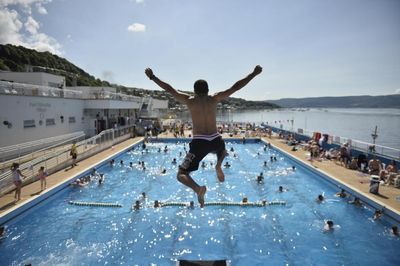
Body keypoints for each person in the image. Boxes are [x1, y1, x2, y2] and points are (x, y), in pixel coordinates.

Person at [146, 66, 263, 207]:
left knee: (181, 173)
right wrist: (253, 74)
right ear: (208, 90)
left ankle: (198, 189)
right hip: (215, 139)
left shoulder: (190, 100)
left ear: (194, 91)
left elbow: (170, 89)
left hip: (199, 142)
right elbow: (235, 87)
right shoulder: (214, 98)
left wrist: (153, 77)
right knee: (222, 150)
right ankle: (218, 164)